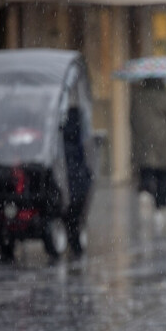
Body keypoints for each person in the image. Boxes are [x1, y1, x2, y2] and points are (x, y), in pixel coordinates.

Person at [130, 77, 166, 227]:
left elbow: (131, 118)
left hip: (143, 138)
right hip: (162, 139)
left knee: (146, 167)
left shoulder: (138, 95)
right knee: (162, 172)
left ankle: (145, 190)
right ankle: (160, 206)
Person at [62, 104, 92, 257]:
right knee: (75, 208)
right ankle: (74, 240)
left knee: (70, 209)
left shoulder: (62, 128)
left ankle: (73, 238)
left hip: (69, 174)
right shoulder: (78, 125)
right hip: (76, 174)